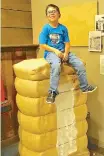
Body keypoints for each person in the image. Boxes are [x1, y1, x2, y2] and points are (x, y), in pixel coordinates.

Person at [39, 4, 97, 104]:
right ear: (47, 16)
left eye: (54, 11)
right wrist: (55, 51)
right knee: (56, 65)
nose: (52, 13)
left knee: (80, 64)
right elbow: (42, 45)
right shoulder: (46, 29)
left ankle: (84, 86)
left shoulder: (63, 28)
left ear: (59, 14)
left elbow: (67, 43)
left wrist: (66, 53)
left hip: (63, 51)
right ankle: (52, 91)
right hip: (51, 53)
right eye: (49, 12)